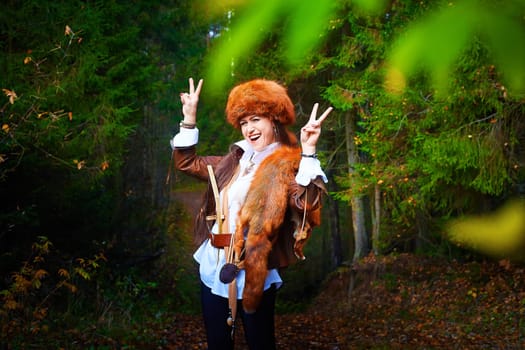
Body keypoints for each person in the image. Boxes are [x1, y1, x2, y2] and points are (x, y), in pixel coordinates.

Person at [170, 77, 332, 350]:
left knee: (260, 344)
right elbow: (188, 163)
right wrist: (189, 118)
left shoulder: (287, 167)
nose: (249, 128)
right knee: (218, 344)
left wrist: (310, 151)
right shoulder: (234, 160)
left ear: (274, 120)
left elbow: (307, 204)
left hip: (253, 269)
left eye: (256, 119)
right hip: (215, 265)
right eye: (244, 122)